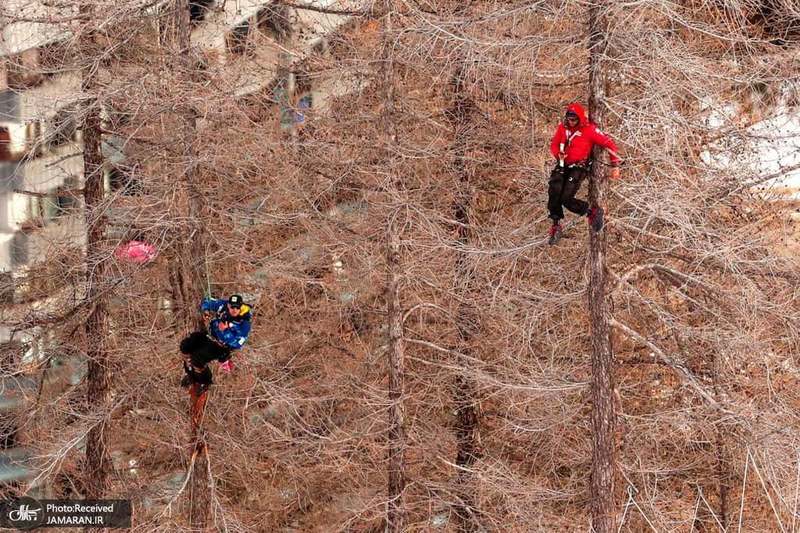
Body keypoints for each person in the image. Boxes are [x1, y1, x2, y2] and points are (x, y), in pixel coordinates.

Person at [547, 102, 621, 244]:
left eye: (574, 119)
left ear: (580, 118)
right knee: (554, 190)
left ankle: (591, 212)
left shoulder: (589, 130)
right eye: (569, 118)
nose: (571, 121)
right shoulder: (563, 128)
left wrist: (615, 165)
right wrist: (558, 155)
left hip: (578, 167)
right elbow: (554, 145)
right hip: (563, 164)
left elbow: (609, 144)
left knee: (566, 198)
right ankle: (555, 225)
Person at [180, 294, 252, 389]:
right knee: (186, 345)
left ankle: (204, 382)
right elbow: (208, 301)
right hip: (209, 336)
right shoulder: (223, 306)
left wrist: (224, 331)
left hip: (222, 347)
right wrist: (205, 310)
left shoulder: (244, 323)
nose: (234, 310)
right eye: (232, 307)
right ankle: (191, 375)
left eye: (237, 307)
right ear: (228, 305)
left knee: (197, 358)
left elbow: (238, 343)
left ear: (241, 307)